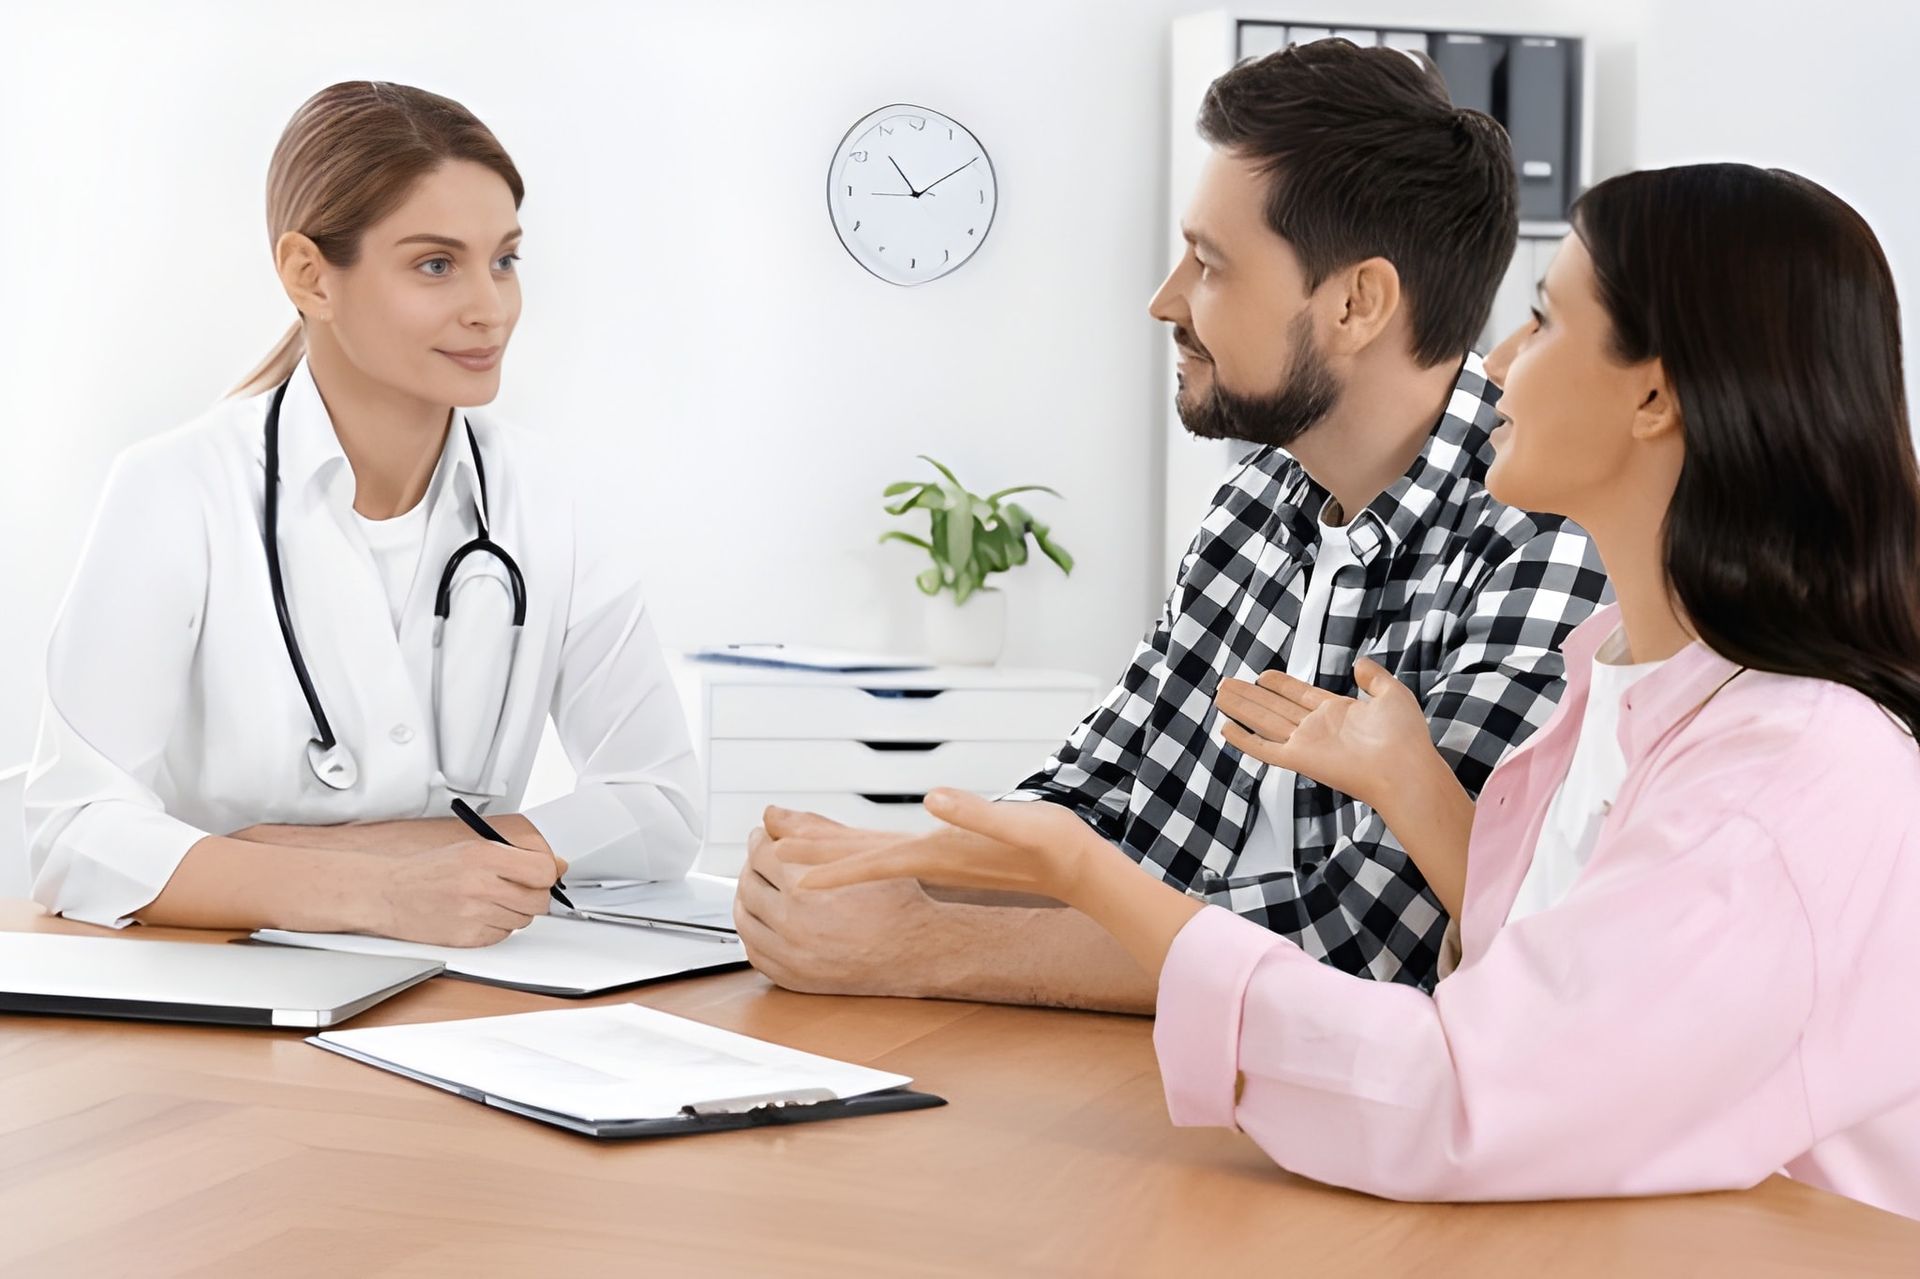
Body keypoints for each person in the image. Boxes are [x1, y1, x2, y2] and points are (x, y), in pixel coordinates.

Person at [790, 163, 1920, 1221]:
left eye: (1546, 317)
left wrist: (1081, 883)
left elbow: (1460, 1094)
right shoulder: (1620, 670)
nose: (1498, 360)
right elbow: (1537, 972)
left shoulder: (1783, 779)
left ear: (1655, 396)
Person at [737, 39, 1606, 1009]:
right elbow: (1101, 792)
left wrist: (929, 944)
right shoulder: (1255, 501)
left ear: (1358, 302)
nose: (1164, 302)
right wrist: (879, 864)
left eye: (1211, 265)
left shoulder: (1547, 537)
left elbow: (1373, 937)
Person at [26, 82, 701, 946]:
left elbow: (659, 806)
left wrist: (397, 853)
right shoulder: (176, 488)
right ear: (311, 275)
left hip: (475, 1000)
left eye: (503, 260)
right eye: (435, 264)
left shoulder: (546, 498)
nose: (488, 307)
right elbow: (76, 831)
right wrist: (376, 894)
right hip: (235, 1013)